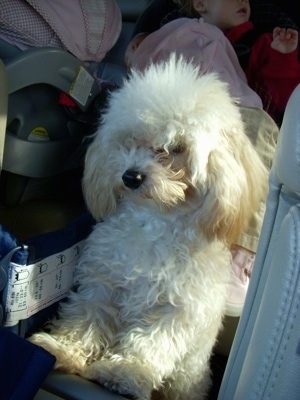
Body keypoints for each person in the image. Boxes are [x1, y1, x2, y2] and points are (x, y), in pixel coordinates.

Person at [125, 0, 285, 317]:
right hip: (206, 111)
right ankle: (240, 254)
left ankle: (237, 253)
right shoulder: (191, 31)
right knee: (258, 130)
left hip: (226, 112)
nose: (244, 2)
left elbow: (272, 91)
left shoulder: (251, 40)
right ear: (200, 4)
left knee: (259, 134)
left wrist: (280, 56)